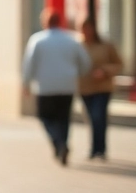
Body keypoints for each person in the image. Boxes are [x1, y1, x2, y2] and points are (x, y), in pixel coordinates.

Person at [22, 9, 90, 164]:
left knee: (45, 117)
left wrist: (26, 83)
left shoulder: (37, 40)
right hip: (67, 85)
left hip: (45, 87)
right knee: (64, 118)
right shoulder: (72, 39)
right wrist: (78, 74)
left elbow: (29, 63)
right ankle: (63, 143)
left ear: (45, 22)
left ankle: (58, 142)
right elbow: (86, 62)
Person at [78, 17, 121, 161]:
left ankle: (99, 149)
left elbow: (119, 64)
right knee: (92, 118)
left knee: (98, 116)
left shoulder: (106, 45)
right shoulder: (78, 46)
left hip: (103, 87)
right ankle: (95, 148)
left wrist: (104, 71)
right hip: (85, 88)